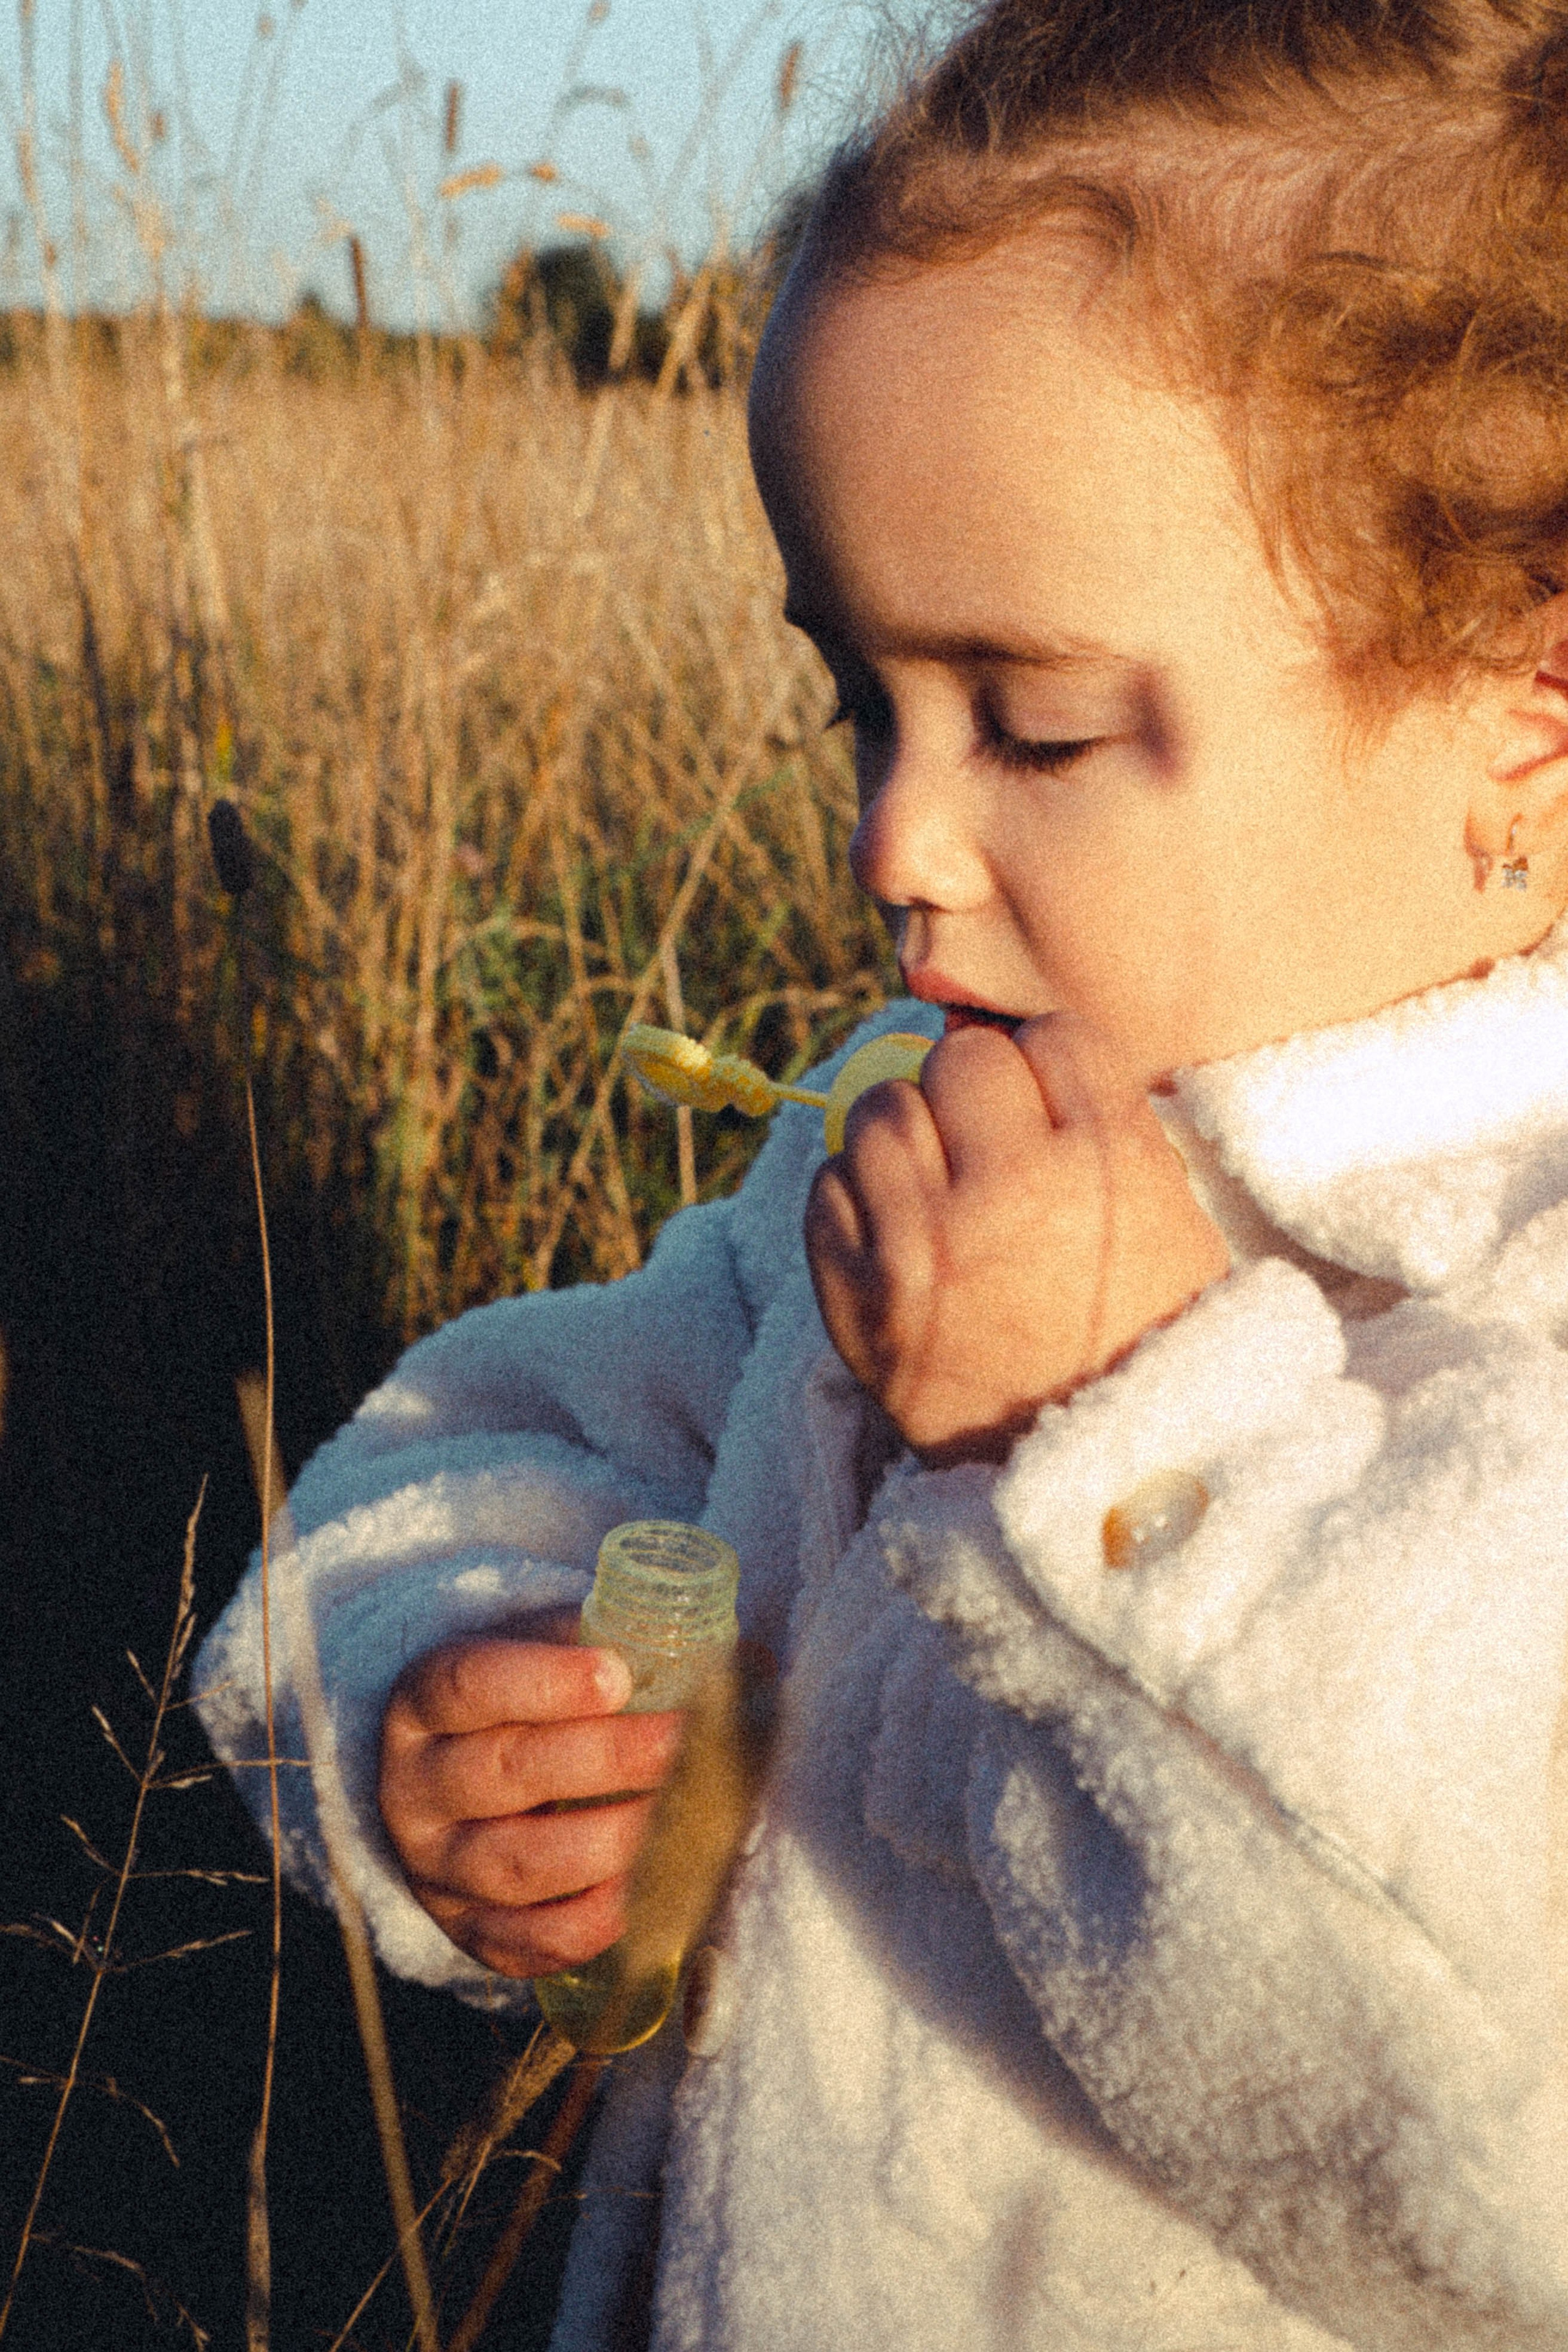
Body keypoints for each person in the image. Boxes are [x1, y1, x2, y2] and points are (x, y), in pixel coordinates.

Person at [195, 2, 1568, 2343]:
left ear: (1518, 730)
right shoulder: (880, 1141)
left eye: (1030, 723)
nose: (895, 840)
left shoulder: (1510, 1266)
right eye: (864, 700)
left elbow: (1499, 2174)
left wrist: (1120, 1430)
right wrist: (464, 1693)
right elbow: (489, 1441)